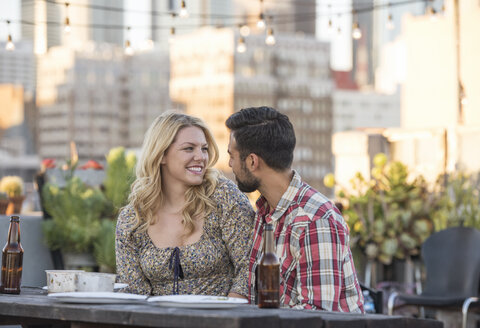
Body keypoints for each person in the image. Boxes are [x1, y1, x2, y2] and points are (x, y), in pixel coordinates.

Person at [225, 106, 364, 312]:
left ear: (252, 161)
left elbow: (318, 314)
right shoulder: (266, 212)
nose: (229, 164)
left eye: (232, 156)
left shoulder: (316, 220)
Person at [116, 111, 254, 298]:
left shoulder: (224, 197)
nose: (201, 157)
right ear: (161, 155)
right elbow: (131, 291)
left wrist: (225, 316)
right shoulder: (133, 219)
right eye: (189, 148)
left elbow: (251, 268)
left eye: (204, 149)